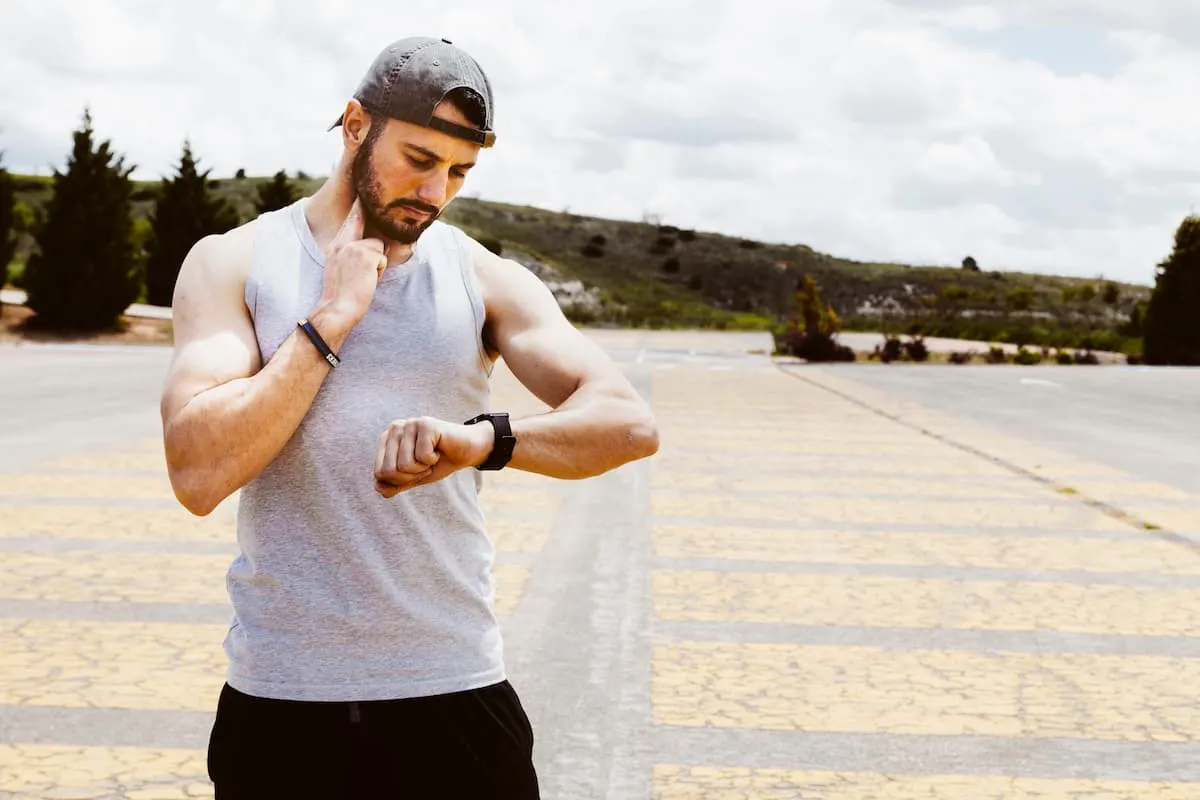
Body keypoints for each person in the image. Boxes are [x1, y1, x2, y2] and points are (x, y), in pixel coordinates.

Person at [159, 36, 659, 799]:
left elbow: (627, 423)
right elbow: (197, 470)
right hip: (283, 705)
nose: (435, 191)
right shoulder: (235, 262)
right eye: (419, 159)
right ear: (355, 125)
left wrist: (480, 441)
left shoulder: (478, 276)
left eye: (459, 172)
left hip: (452, 693)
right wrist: (331, 321)